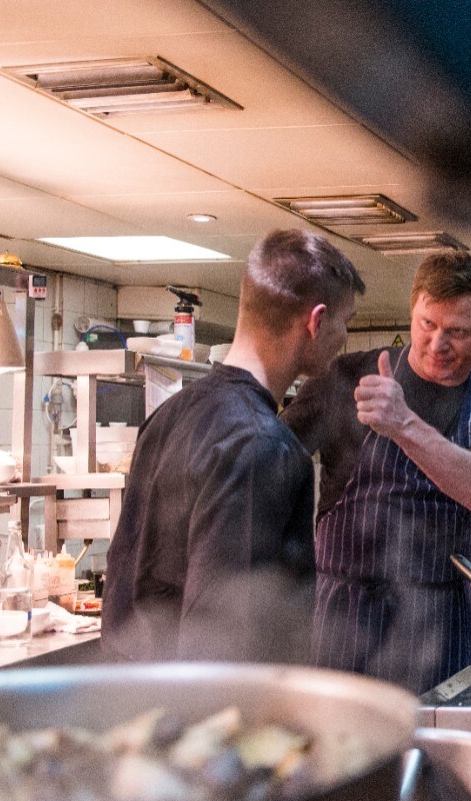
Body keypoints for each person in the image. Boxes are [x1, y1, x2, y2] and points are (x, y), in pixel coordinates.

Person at [103, 228, 364, 664]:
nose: (344, 337)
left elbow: (126, 578)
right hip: (206, 716)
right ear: (316, 322)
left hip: (138, 697)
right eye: (346, 321)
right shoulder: (263, 444)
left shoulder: (169, 415)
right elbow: (228, 637)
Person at [281, 251, 471, 693]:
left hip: (440, 620)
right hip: (343, 615)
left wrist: (403, 424)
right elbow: (268, 460)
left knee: (432, 750)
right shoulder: (347, 377)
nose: (437, 345)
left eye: (458, 332)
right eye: (426, 325)